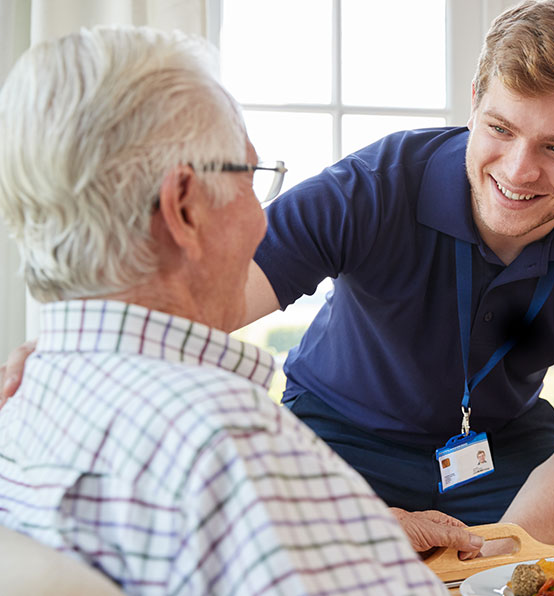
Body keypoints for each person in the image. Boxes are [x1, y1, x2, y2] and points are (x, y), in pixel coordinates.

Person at [2, 0, 554, 547]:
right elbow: (205, 299)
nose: (518, 171)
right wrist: (70, 352)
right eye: (499, 128)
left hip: (499, 449)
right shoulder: (371, 188)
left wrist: (483, 560)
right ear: (474, 102)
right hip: (339, 434)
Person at [0, 25, 477, 594]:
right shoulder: (232, 445)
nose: (261, 219)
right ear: (184, 207)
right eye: (249, 178)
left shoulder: (23, 400)